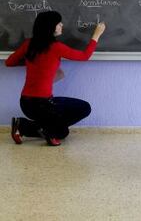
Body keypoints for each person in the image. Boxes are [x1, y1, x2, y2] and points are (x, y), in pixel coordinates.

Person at [5, 11, 105, 146]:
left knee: (62, 130)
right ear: (50, 27)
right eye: (59, 23)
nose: (61, 25)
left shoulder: (29, 44)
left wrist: (31, 61)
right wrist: (96, 35)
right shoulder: (56, 47)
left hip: (26, 103)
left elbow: (9, 62)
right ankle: (47, 131)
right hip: (44, 105)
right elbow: (84, 56)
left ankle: (23, 125)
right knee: (81, 111)